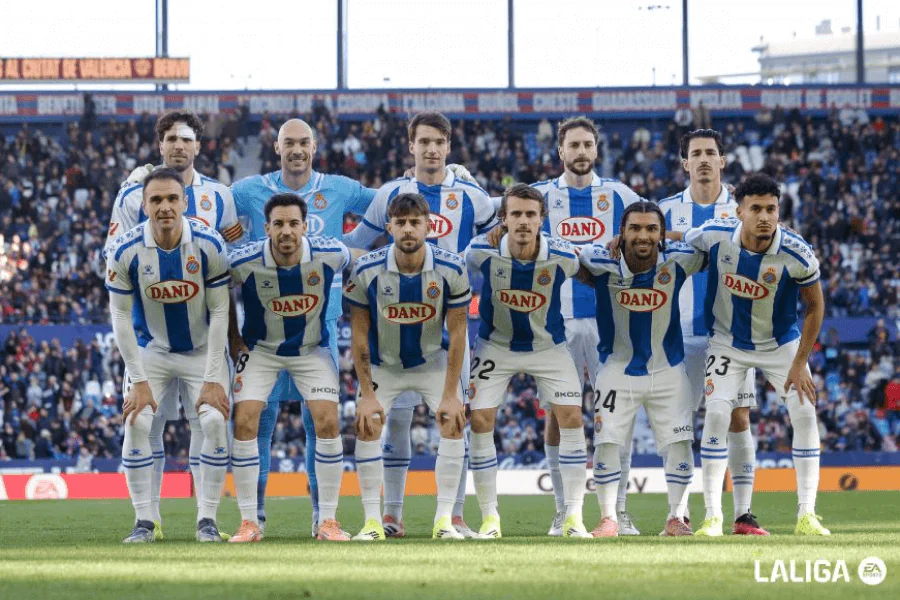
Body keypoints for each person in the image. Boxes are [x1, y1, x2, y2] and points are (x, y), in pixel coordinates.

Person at [345, 111, 497, 538]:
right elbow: (356, 245)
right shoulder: (391, 193)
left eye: (439, 141)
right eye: (423, 141)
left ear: (449, 146)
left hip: (452, 325)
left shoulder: (472, 194)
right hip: (393, 323)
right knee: (393, 422)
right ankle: (390, 515)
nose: (431, 148)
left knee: (455, 415)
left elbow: (501, 231)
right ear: (410, 146)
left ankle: (456, 514)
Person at [230, 118, 376, 537]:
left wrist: (429, 179)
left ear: (314, 147)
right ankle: (252, 518)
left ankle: (322, 517)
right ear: (276, 147)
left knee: (323, 422)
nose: (296, 149)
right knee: (256, 422)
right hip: (262, 330)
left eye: (303, 142)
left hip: (319, 329)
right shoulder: (248, 190)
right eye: (288, 142)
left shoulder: (340, 188)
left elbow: (387, 208)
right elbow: (211, 207)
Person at [103, 110, 243, 540]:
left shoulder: (211, 235)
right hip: (152, 348)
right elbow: (120, 314)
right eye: (156, 201)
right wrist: (140, 379)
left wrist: (218, 371)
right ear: (143, 205)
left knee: (215, 422)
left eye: (172, 200)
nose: (164, 207)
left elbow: (223, 305)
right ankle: (146, 521)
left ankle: (207, 520)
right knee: (138, 422)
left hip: (204, 346)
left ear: (185, 201)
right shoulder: (125, 246)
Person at [683, 173, 829, 536]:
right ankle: (713, 517)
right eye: (756, 209)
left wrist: (799, 364)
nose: (765, 216)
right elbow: (680, 241)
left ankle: (807, 515)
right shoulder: (715, 234)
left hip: (780, 345)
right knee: (717, 413)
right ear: (739, 211)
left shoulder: (796, 251)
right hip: (728, 342)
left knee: (805, 412)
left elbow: (815, 307)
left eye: (771, 209)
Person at [531, 116, 644, 536]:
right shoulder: (541, 197)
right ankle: (564, 511)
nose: (580, 152)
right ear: (560, 151)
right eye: (573, 146)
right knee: (559, 415)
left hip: (608, 322)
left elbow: (651, 230)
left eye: (587, 145)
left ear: (596, 151)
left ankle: (617, 511)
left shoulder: (619, 195)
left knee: (615, 415)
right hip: (554, 323)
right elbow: (500, 218)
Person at [226, 193, 353, 543]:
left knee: (327, 419)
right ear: (266, 228)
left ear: (305, 226)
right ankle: (249, 523)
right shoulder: (245, 259)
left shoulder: (330, 253)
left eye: (293, 223)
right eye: (278, 224)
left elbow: (358, 262)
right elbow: (215, 284)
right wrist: (233, 338)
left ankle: (328, 521)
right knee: (245, 419)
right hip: (261, 350)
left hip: (311, 349)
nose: (286, 231)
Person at [465, 183, 590, 539]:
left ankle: (573, 517)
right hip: (496, 345)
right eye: (515, 214)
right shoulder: (480, 250)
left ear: (542, 219)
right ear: (502, 219)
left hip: (548, 347)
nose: (523, 221)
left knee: (571, 417)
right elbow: (452, 278)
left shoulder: (562, 254)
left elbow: (591, 272)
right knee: (480, 419)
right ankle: (490, 520)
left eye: (530, 214)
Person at [658, 129, 766, 536]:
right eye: (695, 154)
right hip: (678, 333)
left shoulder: (742, 209)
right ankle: (678, 513)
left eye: (711, 153)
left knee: (738, 418)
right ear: (684, 163)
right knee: (680, 422)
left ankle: (742, 514)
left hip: (730, 334)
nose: (703, 159)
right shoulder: (666, 210)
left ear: (723, 160)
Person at [344, 192, 470, 540]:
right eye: (400, 223)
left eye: (415, 222)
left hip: (433, 361)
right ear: (389, 227)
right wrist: (366, 393)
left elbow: (458, 332)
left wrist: (450, 393)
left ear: (429, 226)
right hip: (385, 364)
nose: (408, 230)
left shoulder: (451, 267)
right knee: (367, 424)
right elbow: (358, 333)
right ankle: (372, 523)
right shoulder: (366, 269)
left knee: (453, 421)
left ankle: (444, 521)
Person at [579, 202, 703, 537]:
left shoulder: (679, 259)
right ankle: (608, 519)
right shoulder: (599, 259)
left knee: (679, 443)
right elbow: (565, 254)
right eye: (635, 228)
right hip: (616, 369)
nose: (643, 235)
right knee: (606, 442)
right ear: (621, 233)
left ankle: (677, 517)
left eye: (651, 229)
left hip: (668, 369)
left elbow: (718, 246)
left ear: (661, 234)